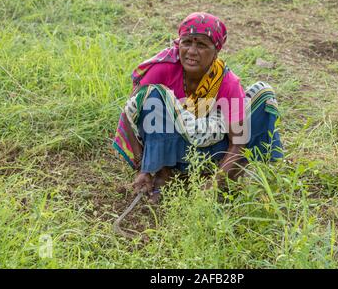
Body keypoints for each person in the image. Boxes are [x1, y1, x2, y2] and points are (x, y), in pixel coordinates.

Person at [113, 12, 282, 203]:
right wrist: (142, 168)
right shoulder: (164, 69)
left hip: (209, 151)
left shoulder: (227, 82)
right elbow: (129, 113)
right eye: (187, 42)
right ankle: (162, 175)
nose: (192, 51)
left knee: (263, 96)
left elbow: (238, 141)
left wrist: (214, 183)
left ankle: (225, 173)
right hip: (173, 147)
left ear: (216, 51)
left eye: (201, 45)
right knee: (153, 96)